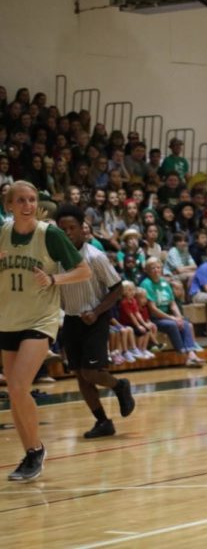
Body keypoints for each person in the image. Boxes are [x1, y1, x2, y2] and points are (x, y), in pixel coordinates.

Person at [0, 181, 92, 482]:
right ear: (9, 206)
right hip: (8, 318)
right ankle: (32, 452)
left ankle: (35, 450)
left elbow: (83, 270)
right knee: (16, 393)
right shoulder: (2, 234)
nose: (27, 204)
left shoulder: (49, 234)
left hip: (41, 320)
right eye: (21, 200)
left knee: (16, 385)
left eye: (32, 199)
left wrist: (53, 279)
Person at [55, 204, 136, 439]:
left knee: (91, 372)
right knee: (80, 376)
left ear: (83, 229)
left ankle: (119, 385)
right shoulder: (57, 257)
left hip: (96, 319)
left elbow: (117, 288)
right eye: (63, 228)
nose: (68, 232)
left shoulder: (95, 256)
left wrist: (97, 311)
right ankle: (103, 422)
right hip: (71, 320)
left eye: (72, 227)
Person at [140, 258, 205, 367]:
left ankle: (192, 354)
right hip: (154, 318)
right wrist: (173, 319)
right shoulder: (146, 284)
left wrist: (178, 317)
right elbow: (153, 309)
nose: (156, 270)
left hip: (167, 315)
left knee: (185, 324)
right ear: (147, 270)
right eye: (152, 268)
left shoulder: (164, 282)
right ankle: (184, 354)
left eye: (158, 267)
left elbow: (172, 304)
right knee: (172, 325)